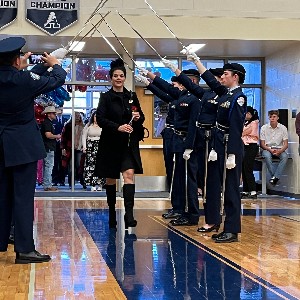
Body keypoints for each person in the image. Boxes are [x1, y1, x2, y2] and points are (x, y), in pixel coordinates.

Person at [0, 36, 66, 263]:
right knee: (23, 198)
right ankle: (25, 249)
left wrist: (37, 66)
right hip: (23, 148)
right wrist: (55, 63)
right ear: (17, 60)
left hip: (1, 146)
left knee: (1, 197)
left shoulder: (21, 77)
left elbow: (25, 77)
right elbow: (57, 79)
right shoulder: (25, 79)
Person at [185, 51, 247, 242]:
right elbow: (210, 81)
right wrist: (197, 62)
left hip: (230, 146)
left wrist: (233, 154)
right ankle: (220, 224)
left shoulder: (238, 98)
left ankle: (232, 229)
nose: (222, 77)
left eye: (226, 74)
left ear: (235, 77)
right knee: (216, 185)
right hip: (219, 144)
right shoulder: (225, 94)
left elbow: (236, 128)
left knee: (230, 189)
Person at [139, 67, 202, 226]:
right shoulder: (183, 95)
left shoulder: (195, 99)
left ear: (192, 81)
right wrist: (149, 80)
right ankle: (181, 209)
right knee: (178, 177)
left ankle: (190, 213)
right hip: (176, 140)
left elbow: (194, 125)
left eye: (183, 81)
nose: (179, 84)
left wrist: (189, 145)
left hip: (186, 142)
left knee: (188, 180)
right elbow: (165, 91)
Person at [95, 58, 145, 229]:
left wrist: (138, 118)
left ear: (124, 78)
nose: (118, 78)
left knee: (129, 175)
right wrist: (118, 127)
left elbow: (141, 116)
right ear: (111, 78)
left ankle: (129, 215)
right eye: (115, 76)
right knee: (111, 179)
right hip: (110, 144)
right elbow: (100, 119)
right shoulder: (106, 97)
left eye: (121, 76)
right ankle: (111, 212)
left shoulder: (131, 96)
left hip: (128, 145)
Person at [134, 73, 185, 220]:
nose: (172, 88)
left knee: (177, 173)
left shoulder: (185, 100)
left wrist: (151, 80)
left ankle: (180, 207)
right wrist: (148, 83)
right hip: (169, 136)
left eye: (175, 86)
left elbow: (165, 92)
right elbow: (163, 93)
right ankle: (175, 206)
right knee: (170, 171)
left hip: (178, 138)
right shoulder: (176, 99)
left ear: (182, 86)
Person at [260, 109, 288, 185]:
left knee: (285, 156)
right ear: (268, 118)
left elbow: (286, 144)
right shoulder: (263, 128)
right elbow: (262, 144)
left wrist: (280, 150)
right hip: (267, 148)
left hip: (279, 148)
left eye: (274, 117)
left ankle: (274, 177)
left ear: (278, 118)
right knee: (267, 156)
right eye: (270, 117)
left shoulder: (283, 128)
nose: (272, 118)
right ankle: (275, 177)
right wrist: (270, 149)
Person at [61, 111, 85, 189]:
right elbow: (63, 138)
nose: (78, 117)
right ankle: (71, 184)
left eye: (79, 116)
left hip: (80, 149)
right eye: (76, 116)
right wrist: (63, 148)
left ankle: (82, 181)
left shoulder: (84, 126)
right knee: (71, 167)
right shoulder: (68, 126)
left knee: (79, 165)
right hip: (70, 148)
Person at [81, 111, 104, 191]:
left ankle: (100, 183)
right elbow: (84, 136)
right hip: (90, 147)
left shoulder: (103, 126)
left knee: (100, 166)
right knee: (91, 166)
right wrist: (84, 147)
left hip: (100, 147)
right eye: (95, 116)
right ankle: (93, 184)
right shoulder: (88, 126)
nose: (96, 118)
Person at [40, 106, 61, 191]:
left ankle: (47, 184)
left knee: (47, 166)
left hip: (48, 147)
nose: (55, 115)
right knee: (49, 166)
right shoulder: (47, 123)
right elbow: (48, 135)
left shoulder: (48, 123)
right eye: (53, 113)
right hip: (48, 147)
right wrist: (57, 136)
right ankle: (48, 185)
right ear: (49, 114)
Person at [241, 106, 259, 199]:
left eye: (248, 113)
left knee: (248, 168)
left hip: (251, 146)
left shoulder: (254, 123)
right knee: (243, 168)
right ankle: (245, 190)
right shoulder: (245, 122)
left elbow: (243, 132)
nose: (246, 115)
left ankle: (253, 190)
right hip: (244, 145)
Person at [52, 107, 68, 186]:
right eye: (59, 109)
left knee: (62, 162)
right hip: (54, 143)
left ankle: (62, 180)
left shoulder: (66, 120)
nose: (60, 111)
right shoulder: (53, 120)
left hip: (63, 143)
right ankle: (55, 180)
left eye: (61, 109)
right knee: (55, 162)